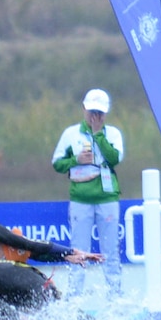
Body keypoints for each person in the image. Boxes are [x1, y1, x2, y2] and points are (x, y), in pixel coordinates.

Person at [52, 88, 123, 296]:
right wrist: (77, 160)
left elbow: (114, 158)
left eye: (100, 112)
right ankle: (74, 300)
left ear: (106, 113)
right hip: (80, 200)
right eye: (92, 111)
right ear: (84, 108)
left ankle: (115, 299)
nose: (95, 116)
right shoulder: (71, 134)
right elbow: (57, 163)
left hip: (107, 198)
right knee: (78, 251)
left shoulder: (113, 134)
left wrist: (98, 134)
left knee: (111, 251)